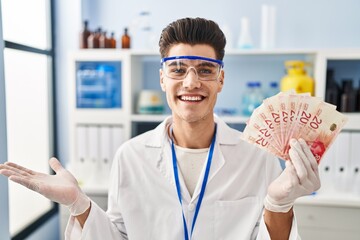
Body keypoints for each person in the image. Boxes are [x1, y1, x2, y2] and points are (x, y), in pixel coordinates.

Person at [0, 17, 320, 240]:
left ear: (221, 79)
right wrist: (79, 204)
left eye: (205, 70)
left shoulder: (257, 155)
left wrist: (280, 204)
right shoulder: (131, 156)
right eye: (177, 69)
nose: (191, 82)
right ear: (162, 79)